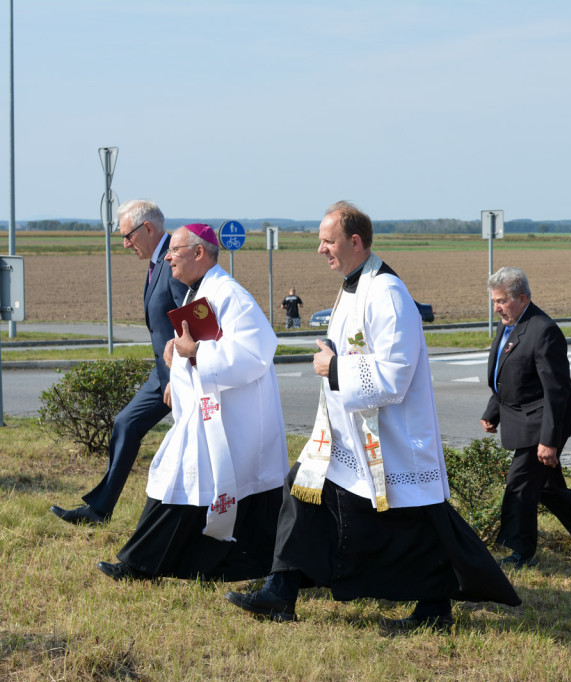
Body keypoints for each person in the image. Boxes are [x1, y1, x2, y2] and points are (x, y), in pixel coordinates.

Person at [226, 201, 519, 628]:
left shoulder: (386, 292)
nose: (321, 250)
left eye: (328, 241)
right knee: (302, 487)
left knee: (412, 524)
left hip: (391, 437)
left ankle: (434, 608)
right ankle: (280, 590)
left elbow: (396, 374)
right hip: (348, 433)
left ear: (355, 241)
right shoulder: (355, 284)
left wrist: (336, 367)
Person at [96, 224, 290, 581]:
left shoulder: (230, 295)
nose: (168, 256)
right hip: (209, 413)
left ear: (199, 253)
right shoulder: (197, 292)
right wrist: (178, 363)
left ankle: (138, 565)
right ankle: (221, 566)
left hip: (235, 418)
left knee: (183, 483)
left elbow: (256, 353)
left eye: (175, 250)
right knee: (191, 485)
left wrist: (195, 353)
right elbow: (191, 345)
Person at [50, 200, 188, 525]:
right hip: (163, 374)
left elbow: (194, 320)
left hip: (182, 374)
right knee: (126, 423)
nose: (125, 244)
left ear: (148, 229)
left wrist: (180, 375)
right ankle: (99, 510)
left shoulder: (174, 262)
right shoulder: (158, 262)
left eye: (128, 236)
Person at [481, 266, 571, 569]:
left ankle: (520, 552)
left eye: (502, 301)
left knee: (520, 484)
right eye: (494, 301)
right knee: (548, 488)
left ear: (522, 298)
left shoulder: (543, 330)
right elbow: (507, 373)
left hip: (543, 422)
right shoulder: (509, 324)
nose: (496, 308)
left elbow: (556, 391)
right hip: (522, 417)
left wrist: (548, 441)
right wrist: (493, 411)